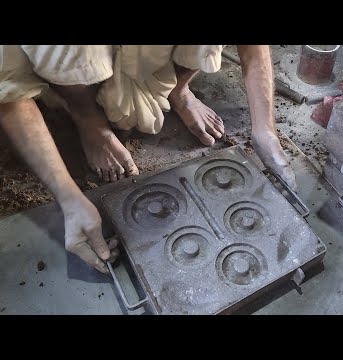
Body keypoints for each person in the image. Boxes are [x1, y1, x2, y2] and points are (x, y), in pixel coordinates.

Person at [0, 45, 297, 274]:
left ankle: (178, 90)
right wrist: (68, 197)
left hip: (156, 67)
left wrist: (264, 130)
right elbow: (8, 86)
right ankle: (86, 116)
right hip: (82, 80)